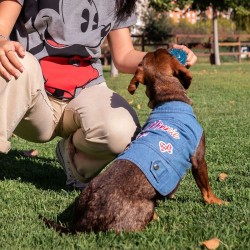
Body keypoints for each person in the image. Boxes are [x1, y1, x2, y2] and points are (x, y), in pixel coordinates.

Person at [0, 0, 197, 189]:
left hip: (84, 93)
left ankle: (74, 158)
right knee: (15, 60)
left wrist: (165, 58)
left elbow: (124, 55)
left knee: (123, 132)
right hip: (31, 98)